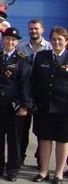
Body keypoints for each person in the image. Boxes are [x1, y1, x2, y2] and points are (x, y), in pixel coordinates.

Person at [0, 27, 31, 182]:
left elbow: (25, 85)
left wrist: (24, 106)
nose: (10, 42)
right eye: (7, 39)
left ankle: (12, 170)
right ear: (3, 39)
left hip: (14, 106)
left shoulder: (22, 60)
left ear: (17, 42)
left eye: (13, 40)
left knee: (14, 140)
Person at [30, 26, 68, 184]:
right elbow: (33, 80)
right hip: (44, 105)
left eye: (60, 39)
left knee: (62, 140)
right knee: (44, 139)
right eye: (53, 39)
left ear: (66, 41)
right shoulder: (41, 56)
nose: (56, 42)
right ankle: (44, 171)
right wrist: (33, 102)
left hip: (65, 107)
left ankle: (58, 172)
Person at [17, 19, 52, 167]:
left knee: (40, 129)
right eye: (31, 29)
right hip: (25, 94)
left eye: (36, 29)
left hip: (41, 95)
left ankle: (40, 158)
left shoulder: (49, 47)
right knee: (22, 130)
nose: (33, 31)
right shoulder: (21, 47)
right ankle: (19, 157)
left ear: (42, 30)